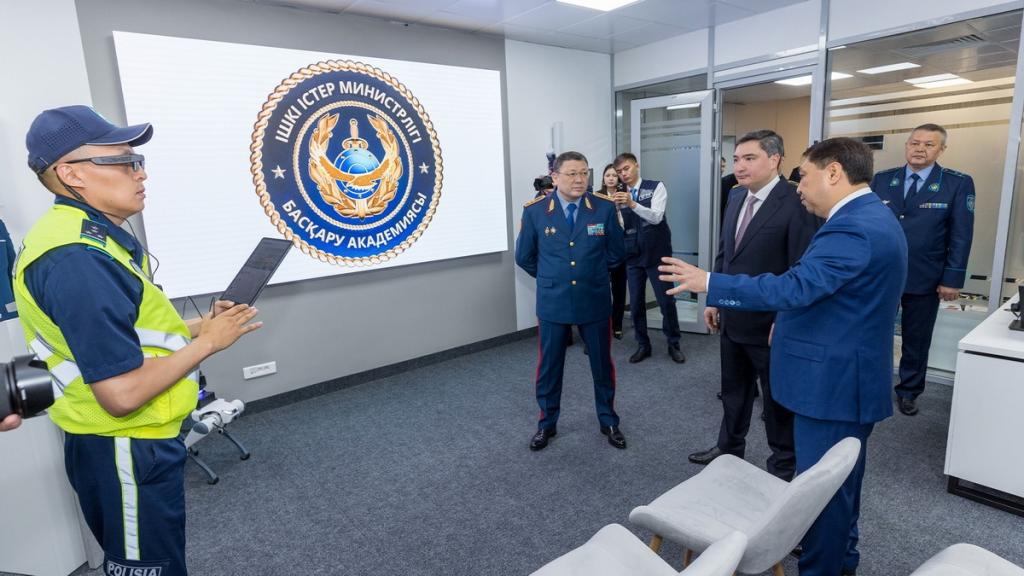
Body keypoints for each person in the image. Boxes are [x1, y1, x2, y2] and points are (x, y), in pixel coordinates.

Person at [13, 105, 262, 576]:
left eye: (139, 161)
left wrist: (202, 326)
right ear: (71, 174)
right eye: (124, 162)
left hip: (132, 442)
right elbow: (121, 394)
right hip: (124, 444)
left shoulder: (82, 236)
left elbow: (124, 331)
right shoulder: (78, 259)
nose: (140, 173)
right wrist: (208, 344)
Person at [658, 137, 907, 576]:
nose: (799, 187)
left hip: (832, 386)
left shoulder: (852, 227)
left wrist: (711, 283)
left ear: (834, 172)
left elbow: (796, 285)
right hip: (845, 375)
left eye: (804, 177)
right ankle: (841, 561)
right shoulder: (868, 215)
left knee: (821, 496)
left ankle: (824, 568)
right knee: (840, 487)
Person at [688, 130, 818, 480]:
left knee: (776, 401)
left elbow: (800, 268)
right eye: (736, 159)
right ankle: (728, 449)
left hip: (771, 324)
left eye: (749, 158)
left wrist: (785, 319)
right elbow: (725, 253)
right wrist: (715, 299)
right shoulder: (735, 196)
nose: (739, 166)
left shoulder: (796, 200)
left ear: (774, 159)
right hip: (732, 316)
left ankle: (783, 465)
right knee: (733, 391)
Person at [515, 151, 626, 451]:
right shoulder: (536, 211)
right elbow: (524, 257)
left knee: (602, 365)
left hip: (594, 298)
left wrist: (593, 273)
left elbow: (617, 252)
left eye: (584, 173)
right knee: (549, 367)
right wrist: (552, 276)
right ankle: (546, 424)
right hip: (554, 301)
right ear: (555, 177)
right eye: (572, 174)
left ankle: (609, 420)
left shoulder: (603, 208)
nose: (579, 180)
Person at [870, 123, 975, 416]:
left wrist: (952, 278)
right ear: (906, 145)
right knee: (874, 333)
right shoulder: (883, 179)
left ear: (941, 149)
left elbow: (961, 235)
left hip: (926, 275)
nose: (920, 149)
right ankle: (873, 384)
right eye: (915, 143)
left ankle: (909, 391)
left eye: (929, 145)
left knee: (916, 338)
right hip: (882, 275)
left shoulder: (956, 183)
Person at [612, 152, 685, 364]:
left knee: (666, 301)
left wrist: (632, 203)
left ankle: (674, 343)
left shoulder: (655, 187)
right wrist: (615, 210)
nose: (623, 174)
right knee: (636, 304)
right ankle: (643, 344)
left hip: (657, 254)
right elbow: (620, 225)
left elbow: (656, 217)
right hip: (632, 255)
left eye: (626, 168)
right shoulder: (619, 195)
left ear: (636, 165)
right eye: (619, 172)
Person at [596, 163, 627, 339]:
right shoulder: (596, 197)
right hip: (602, 249)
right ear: (603, 178)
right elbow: (593, 225)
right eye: (608, 175)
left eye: (614, 175)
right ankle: (602, 326)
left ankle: (617, 325)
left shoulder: (626, 196)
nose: (611, 178)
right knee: (600, 291)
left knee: (619, 289)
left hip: (621, 248)